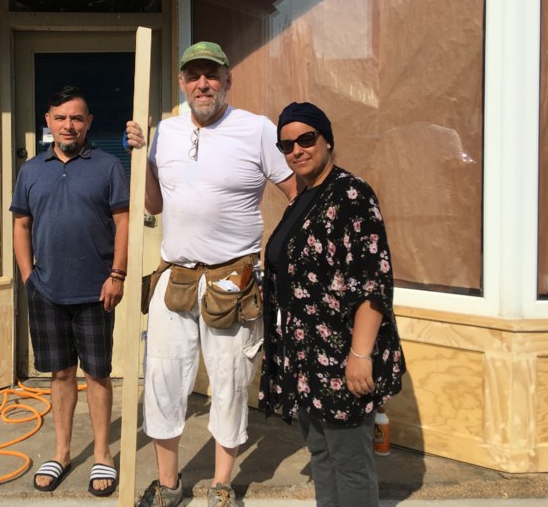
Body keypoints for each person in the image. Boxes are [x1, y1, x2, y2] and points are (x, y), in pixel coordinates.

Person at [125, 42, 296, 507]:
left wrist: (285, 254)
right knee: (163, 380)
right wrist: (140, 160)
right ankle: (168, 484)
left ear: (227, 80)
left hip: (233, 282)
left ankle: (222, 486)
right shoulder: (165, 131)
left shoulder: (257, 130)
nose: (203, 83)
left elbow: (295, 193)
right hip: (176, 279)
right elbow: (154, 205)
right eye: (194, 75)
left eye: (212, 74)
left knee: (230, 382)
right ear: (182, 82)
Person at [258, 101, 406, 507]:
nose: (297, 151)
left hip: (341, 356)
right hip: (306, 358)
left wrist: (360, 354)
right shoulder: (303, 197)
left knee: (350, 461)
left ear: (327, 140)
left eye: (306, 139)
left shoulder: (352, 195)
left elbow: (372, 282)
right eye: (287, 145)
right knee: (322, 454)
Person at [10, 85, 129, 498]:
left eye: (77, 118)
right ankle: (61, 452)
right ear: (48, 121)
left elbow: (124, 222)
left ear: (88, 123)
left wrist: (118, 274)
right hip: (46, 289)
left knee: (97, 373)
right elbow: (21, 225)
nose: (68, 125)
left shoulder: (109, 166)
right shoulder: (31, 171)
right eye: (60, 117)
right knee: (60, 374)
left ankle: (101, 454)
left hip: (97, 291)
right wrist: (28, 276)